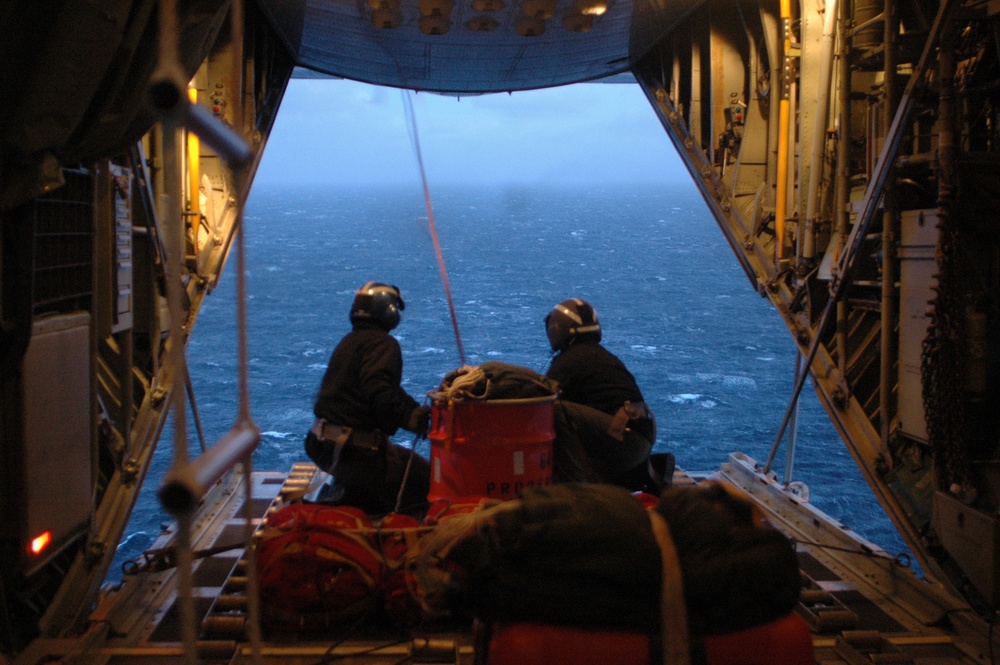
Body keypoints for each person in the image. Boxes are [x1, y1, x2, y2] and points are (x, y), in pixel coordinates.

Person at [305, 281, 432, 514]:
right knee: (423, 481)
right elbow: (378, 391)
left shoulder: (350, 341)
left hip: (322, 444)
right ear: (388, 311)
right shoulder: (384, 344)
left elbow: (385, 388)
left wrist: (411, 409)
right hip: (353, 454)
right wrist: (410, 419)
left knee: (405, 466)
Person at [544, 298, 669, 490]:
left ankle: (573, 486)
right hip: (639, 440)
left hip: (624, 442)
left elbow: (542, 401)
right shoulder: (598, 355)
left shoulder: (570, 361)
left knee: (553, 411)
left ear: (557, 329)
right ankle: (625, 475)